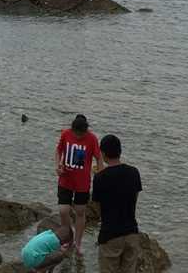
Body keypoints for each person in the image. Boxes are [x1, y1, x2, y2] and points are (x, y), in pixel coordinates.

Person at [91, 134, 142, 273]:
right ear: (120, 151)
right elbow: (135, 200)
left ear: (103, 153)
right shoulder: (134, 173)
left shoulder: (100, 178)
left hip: (110, 234)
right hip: (131, 232)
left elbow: (97, 208)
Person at [55, 113, 101, 257]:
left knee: (80, 211)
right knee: (63, 210)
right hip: (65, 180)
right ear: (72, 129)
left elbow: (99, 158)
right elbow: (58, 151)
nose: (79, 136)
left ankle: (78, 243)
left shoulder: (92, 138)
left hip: (82, 183)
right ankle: (67, 237)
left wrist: (101, 175)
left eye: (82, 133)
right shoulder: (66, 134)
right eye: (77, 133)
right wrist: (57, 166)